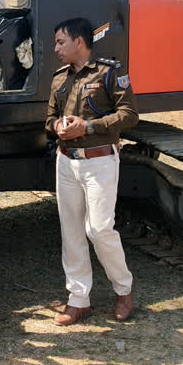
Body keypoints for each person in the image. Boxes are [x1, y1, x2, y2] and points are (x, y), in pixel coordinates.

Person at [44, 18, 139, 325]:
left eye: (61, 42)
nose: (56, 48)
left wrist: (88, 126)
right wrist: (57, 126)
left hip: (100, 161)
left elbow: (129, 114)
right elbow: (49, 119)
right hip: (66, 161)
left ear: (79, 42)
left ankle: (124, 290)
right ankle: (78, 299)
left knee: (99, 229)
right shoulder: (59, 79)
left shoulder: (109, 72)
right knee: (70, 232)